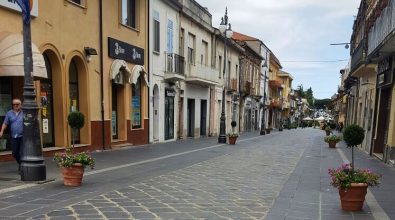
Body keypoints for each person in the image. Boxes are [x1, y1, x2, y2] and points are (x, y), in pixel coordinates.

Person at [0, 98, 24, 170]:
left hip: (23, 136)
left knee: (22, 152)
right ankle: (21, 163)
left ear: (20, 105)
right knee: (14, 153)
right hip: (14, 136)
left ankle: (22, 166)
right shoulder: (9, 113)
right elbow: (5, 123)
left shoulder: (24, 112)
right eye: (14, 104)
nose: (15, 106)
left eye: (17, 104)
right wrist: (1, 131)